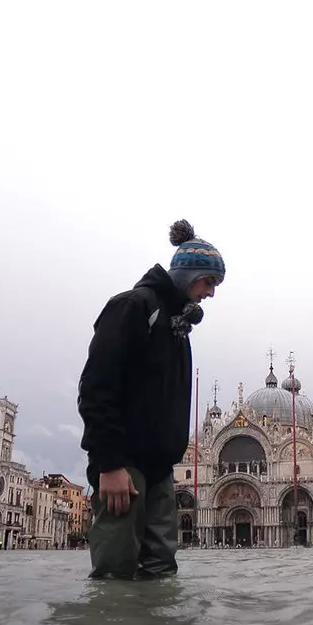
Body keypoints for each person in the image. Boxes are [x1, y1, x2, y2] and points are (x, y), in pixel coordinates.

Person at [78, 219, 225, 580]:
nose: (211, 293)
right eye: (209, 282)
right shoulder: (133, 307)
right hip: (123, 467)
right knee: (116, 568)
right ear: (187, 275)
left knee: (162, 569)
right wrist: (109, 464)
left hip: (160, 472)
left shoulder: (178, 326)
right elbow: (96, 388)